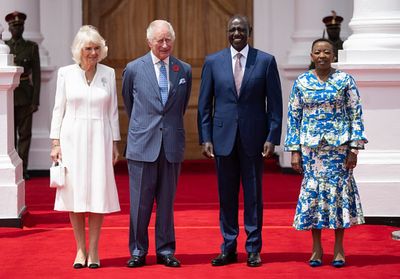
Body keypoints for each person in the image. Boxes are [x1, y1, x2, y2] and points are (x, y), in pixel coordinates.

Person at [198, 15, 283, 267]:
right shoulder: (213, 62)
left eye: (241, 29)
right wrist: (205, 137)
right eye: (233, 29)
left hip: (254, 139)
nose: (237, 33)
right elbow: (204, 105)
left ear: (250, 32)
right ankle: (229, 247)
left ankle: (254, 248)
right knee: (226, 196)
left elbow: (275, 105)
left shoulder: (266, 61)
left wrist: (272, 136)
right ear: (227, 32)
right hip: (222, 138)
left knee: (254, 196)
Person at [284, 38, 367, 268]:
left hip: (339, 150)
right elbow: (294, 118)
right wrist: (294, 151)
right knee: (314, 197)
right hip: (311, 151)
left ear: (334, 55)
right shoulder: (301, 82)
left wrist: (354, 149)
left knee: (338, 195)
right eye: (318, 52)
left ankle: (339, 248)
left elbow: (355, 114)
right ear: (311, 56)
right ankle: (316, 248)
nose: (322, 56)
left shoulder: (345, 80)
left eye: (327, 52)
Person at [122, 19, 192, 268]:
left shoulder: (183, 70)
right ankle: (138, 250)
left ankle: (165, 250)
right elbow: (131, 105)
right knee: (139, 203)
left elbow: (179, 108)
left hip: (171, 145)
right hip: (142, 144)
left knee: (166, 203)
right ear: (149, 41)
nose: (165, 44)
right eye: (160, 40)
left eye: (168, 39)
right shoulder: (133, 69)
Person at [49, 25, 121, 269]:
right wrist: (55, 142)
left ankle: (94, 249)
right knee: (75, 195)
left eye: (96, 48)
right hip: (72, 139)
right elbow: (58, 109)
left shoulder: (108, 73)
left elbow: (112, 111)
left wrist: (115, 143)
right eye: (88, 48)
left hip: (101, 136)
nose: (92, 52)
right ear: (79, 50)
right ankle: (80, 249)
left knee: (97, 193)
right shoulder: (65, 73)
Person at [5, 11, 41, 180]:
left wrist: (35, 100)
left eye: (19, 26)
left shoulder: (32, 47)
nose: (17, 29)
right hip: (7, 98)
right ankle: (11, 169)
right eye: (14, 26)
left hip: (26, 97)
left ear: (23, 27)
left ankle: (23, 169)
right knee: (8, 136)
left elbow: (37, 75)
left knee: (25, 135)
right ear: (9, 28)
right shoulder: (4, 47)